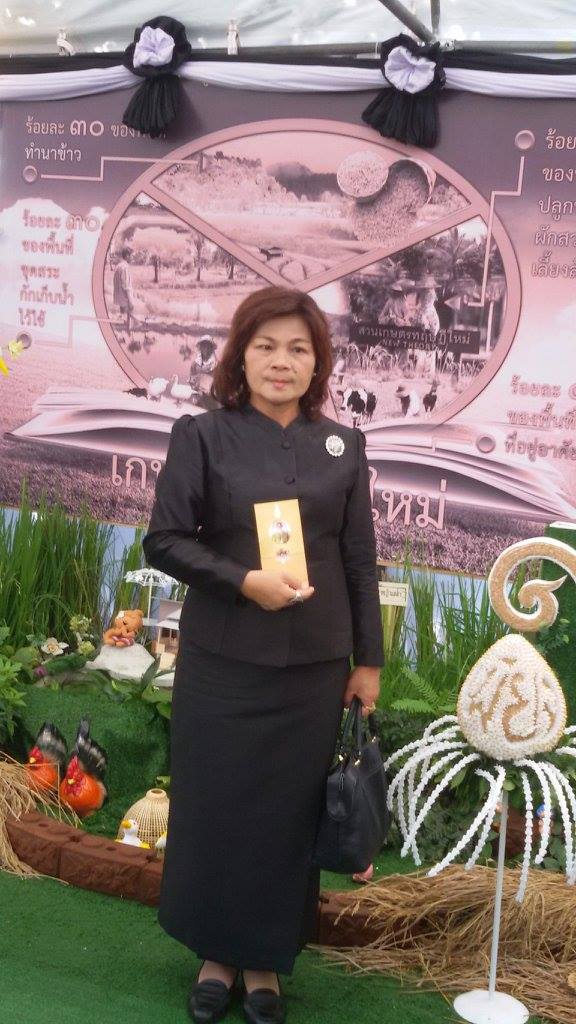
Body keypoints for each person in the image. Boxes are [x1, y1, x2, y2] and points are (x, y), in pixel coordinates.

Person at [143, 285, 384, 1024]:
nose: (283, 361)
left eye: (298, 349)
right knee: (216, 807)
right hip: (223, 660)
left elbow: (358, 561)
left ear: (318, 364)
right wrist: (243, 581)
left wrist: (368, 662)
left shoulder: (343, 447)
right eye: (267, 346)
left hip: (313, 670)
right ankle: (215, 957)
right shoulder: (202, 436)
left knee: (285, 819)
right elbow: (165, 540)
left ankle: (265, 964)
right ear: (241, 357)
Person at [112, 247, 136, 335]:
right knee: (128, 318)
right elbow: (126, 285)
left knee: (123, 316)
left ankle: (123, 334)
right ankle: (128, 333)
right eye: (131, 256)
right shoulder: (125, 267)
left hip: (119, 296)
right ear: (127, 256)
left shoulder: (118, 266)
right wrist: (130, 300)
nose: (132, 258)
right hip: (125, 297)